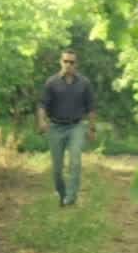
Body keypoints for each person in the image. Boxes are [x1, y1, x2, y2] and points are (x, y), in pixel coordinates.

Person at [37, 48, 96, 207]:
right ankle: (63, 195)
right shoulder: (51, 82)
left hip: (76, 126)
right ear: (60, 62)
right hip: (55, 127)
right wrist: (41, 121)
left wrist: (91, 129)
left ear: (76, 64)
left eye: (72, 62)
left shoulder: (84, 83)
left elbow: (91, 108)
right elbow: (42, 105)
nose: (68, 64)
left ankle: (71, 198)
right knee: (57, 169)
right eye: (65, 61)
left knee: (75, 161)